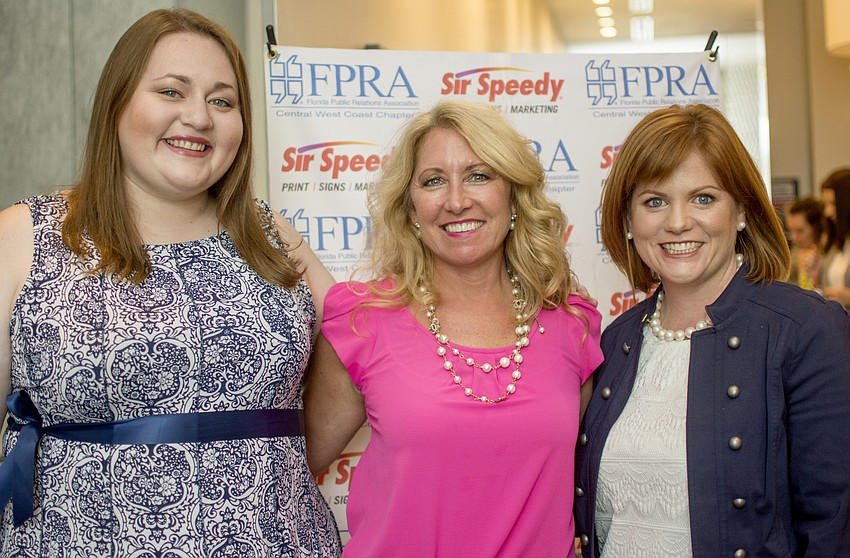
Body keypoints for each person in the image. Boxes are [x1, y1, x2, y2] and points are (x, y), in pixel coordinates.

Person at [0, 9, 341, 556]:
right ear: (117, 104)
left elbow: (365, 346)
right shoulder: (26, 235)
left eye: (222, 101)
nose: (199, 118)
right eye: (171, 92)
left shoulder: (268, 233)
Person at [304, 100, 603, 557]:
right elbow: (290, 467)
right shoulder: (364, 322)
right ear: (410, 210)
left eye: (480, 175)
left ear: (514, 195)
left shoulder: (572, 326)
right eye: (433, 181)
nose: (457, 199)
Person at [575, 104, 850, 557]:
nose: (678, 222)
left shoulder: (806, 330)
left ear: (741, 210)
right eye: (654, 201)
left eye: (703, 198)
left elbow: (834, 525)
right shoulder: (616, 340)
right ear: (627, 220)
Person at [814, 168, 850, 307]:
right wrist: (817, 276)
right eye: (826, 204)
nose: (827, 212)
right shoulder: (834, 243)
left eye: (833, 204)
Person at [785, 197, 827, 290]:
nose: (793, 237)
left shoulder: (828, 255)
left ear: (816, 227)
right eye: (790, 231)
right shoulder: (796, 252)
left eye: (800, 231)